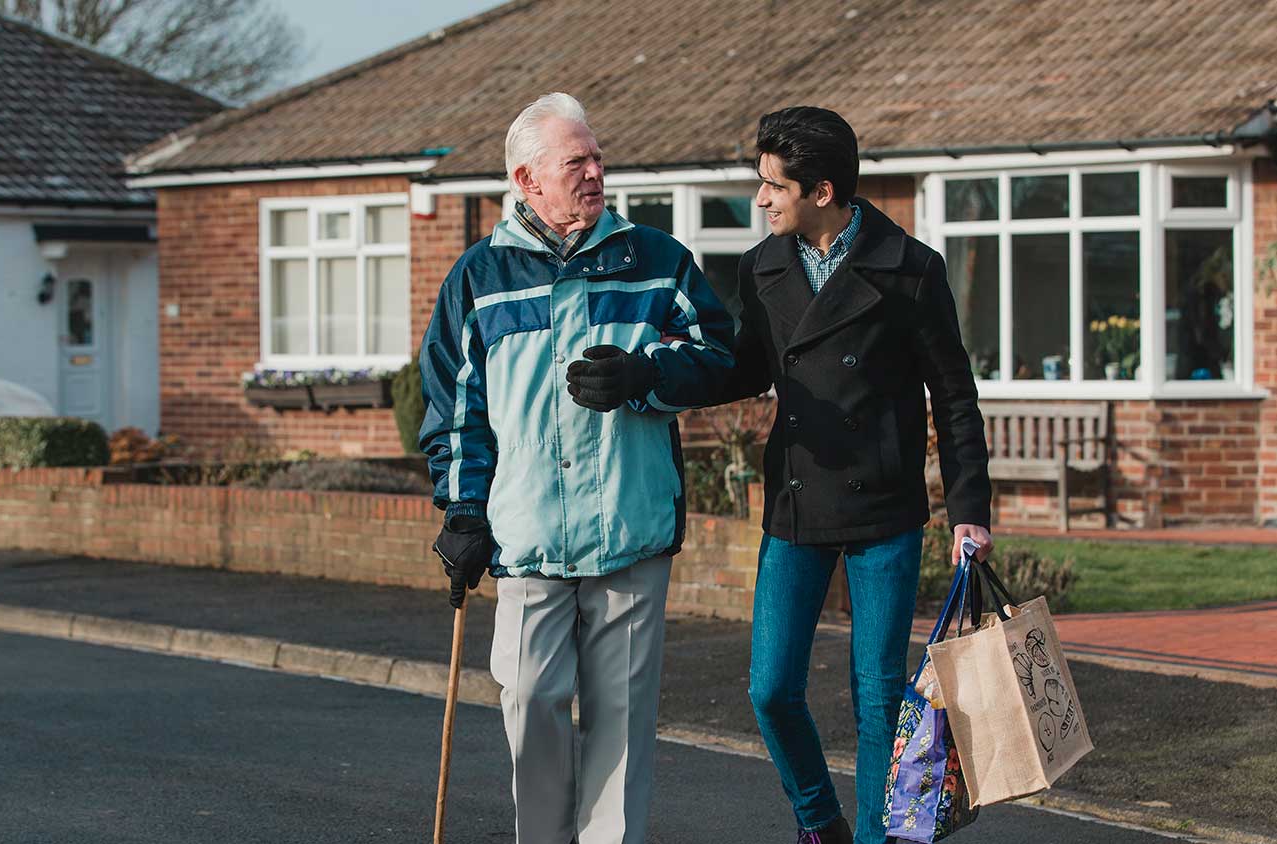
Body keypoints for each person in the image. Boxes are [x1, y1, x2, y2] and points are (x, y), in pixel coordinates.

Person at [418, 92, 734, 844]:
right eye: (576, 162)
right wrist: (463, 513)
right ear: (526, 179)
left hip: (630, 532)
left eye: (597, 158)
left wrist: (644, 373)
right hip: (526, 538)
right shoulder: (478, 279)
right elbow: (456, 411)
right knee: (529, 704)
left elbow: (719, 356)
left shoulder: (658, 261)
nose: (596, 173)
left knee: (622, 727)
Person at [689, 107, 994, 844]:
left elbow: (953, 395)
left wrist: (967, 510)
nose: (761, 200)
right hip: (797, 501)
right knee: (770, 690)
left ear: (822, 191)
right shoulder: (761, 266)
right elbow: (743, 369)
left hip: (883, 509)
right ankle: (819, 821)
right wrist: (653, 375)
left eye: (773, 187)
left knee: (878, 698)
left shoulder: (909, 268)